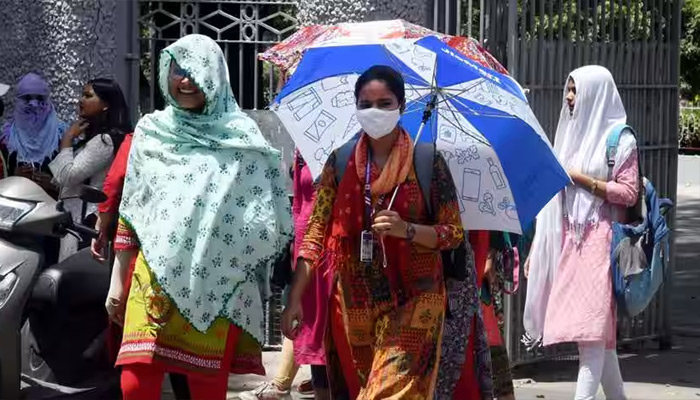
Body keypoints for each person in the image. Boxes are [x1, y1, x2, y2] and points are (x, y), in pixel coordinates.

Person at [105, 34, 292, 400]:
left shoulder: (243, 140)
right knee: (135, 385)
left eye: (196, 70)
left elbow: (264, 216)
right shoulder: (151, 132)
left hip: (218, 284)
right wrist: (117, 280)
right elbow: (133, 208)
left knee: (207, 389)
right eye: (178, 70)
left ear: (215, 75)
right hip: (153, 281)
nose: (186, 79)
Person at [282, 65, 464, 399]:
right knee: (370, 388)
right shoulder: (341, 162)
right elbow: (316, 232)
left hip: (417, 296)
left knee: (387, 392)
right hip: (358, 300)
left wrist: (407, 229)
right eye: (366, 104)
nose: (375, 111)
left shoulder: (426, 161)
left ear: (401, 106)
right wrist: (295, 298)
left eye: (384, 103)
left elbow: (453, 232)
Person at [524, 65, 637, 400]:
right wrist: (538, 250)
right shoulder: (570, 136)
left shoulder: (621, 140)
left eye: (576, 90)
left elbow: (629, 193)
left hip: (602, 241)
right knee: (598, 339)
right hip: (572, 243)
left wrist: (584, 181)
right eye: (568, 89)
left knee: (591, 338)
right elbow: (554, 203)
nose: (570, 97)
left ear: (596, 93)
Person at [242, 151, 328, 400]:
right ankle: (286, 384)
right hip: (306, 253)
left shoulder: (351, 152)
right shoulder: (303, 151)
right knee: (307, 327)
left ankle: (284, 384)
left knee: (327, 333)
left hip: (337, 255)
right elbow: (299, 205)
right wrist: (295, 248)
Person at [49, 78, 131, 261]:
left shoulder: (104, 141)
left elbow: (68, 176)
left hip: (85, 220)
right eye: (82, 95)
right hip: (78, 217)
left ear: (106, 105)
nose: (81, 100)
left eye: (88, 96)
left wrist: (67, 139)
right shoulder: (97, 138)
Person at [0, 73, 66, 196]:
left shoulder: (63, 136)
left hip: (52, 205)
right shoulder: (5, 137)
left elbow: (73, 182)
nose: (34, 104)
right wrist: (13, 177)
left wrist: (54, 184)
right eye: (27, 98)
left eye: (40, 99)